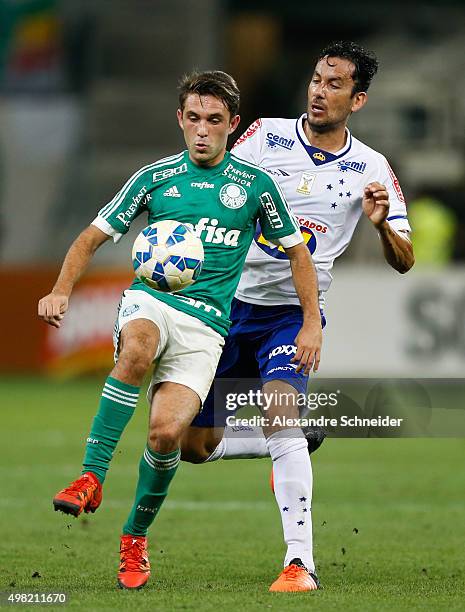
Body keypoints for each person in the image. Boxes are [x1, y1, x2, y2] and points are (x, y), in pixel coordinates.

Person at [38, 70, 322, 590]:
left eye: (214, 120)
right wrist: (61, 290)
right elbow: (91, 237)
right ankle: (91, 476)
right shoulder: (154, 177)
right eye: (193, 118)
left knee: (170, 435)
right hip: (151, 299)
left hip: (208, 326)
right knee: (136, 350)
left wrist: (310, 321)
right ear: (180, 119)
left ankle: (134, 536)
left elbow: (298, 253)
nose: (202, 130)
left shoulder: (255, 188)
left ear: (233, 125)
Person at [180, 41, 415, 592]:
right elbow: (215, 188)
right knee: (189, 446)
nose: (318, 90)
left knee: (280, 407)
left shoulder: (373, 167)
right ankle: (282, 439)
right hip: (227, 304)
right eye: (316, 79)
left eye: (335, 85)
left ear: (357, 100)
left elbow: (405, 259)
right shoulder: (264, 136)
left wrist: (381, 225)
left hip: (292, 314)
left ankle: (299, 563)